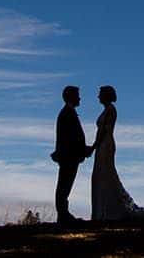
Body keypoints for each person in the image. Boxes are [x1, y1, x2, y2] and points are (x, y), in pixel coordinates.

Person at [90, 84, 140, 223]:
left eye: (100, 94)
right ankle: (103, 210)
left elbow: (104, 131)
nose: (98, 96)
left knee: (106, 173)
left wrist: (93, 146)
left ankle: (108, 210)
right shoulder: (108, 110)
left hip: (105, 145)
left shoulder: (111, 110)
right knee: (102, 174)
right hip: (103, 144)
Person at [50, 85, 93, 226]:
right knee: (64, 185)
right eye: (77, 95)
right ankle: (63, 215)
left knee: (65, 185)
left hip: (69, 156)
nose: (79, 98)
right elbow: (70, 138)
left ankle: (63, 214)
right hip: (69, 157)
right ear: (71, 97)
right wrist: (83, 150)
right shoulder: (67, 113)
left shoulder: (68, 112)